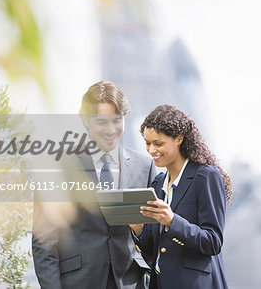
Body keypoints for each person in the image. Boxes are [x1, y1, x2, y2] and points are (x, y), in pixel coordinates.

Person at [32, 81, 156, 289]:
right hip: (78, 283)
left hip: (131, 283)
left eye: (117, 120)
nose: (111, 130)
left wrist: (141, 231)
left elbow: (155, 236)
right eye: (102, 122)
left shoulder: (144, 166)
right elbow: (44, 241)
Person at [129, 104, 231, 289]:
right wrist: (139, 231)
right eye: (147, 143)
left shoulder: (205, 176)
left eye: (158, 144)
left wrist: (172, 221)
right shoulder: (158, 184)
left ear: (179, 139)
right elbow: (154, 253)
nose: (151, 150)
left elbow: (213, 242)